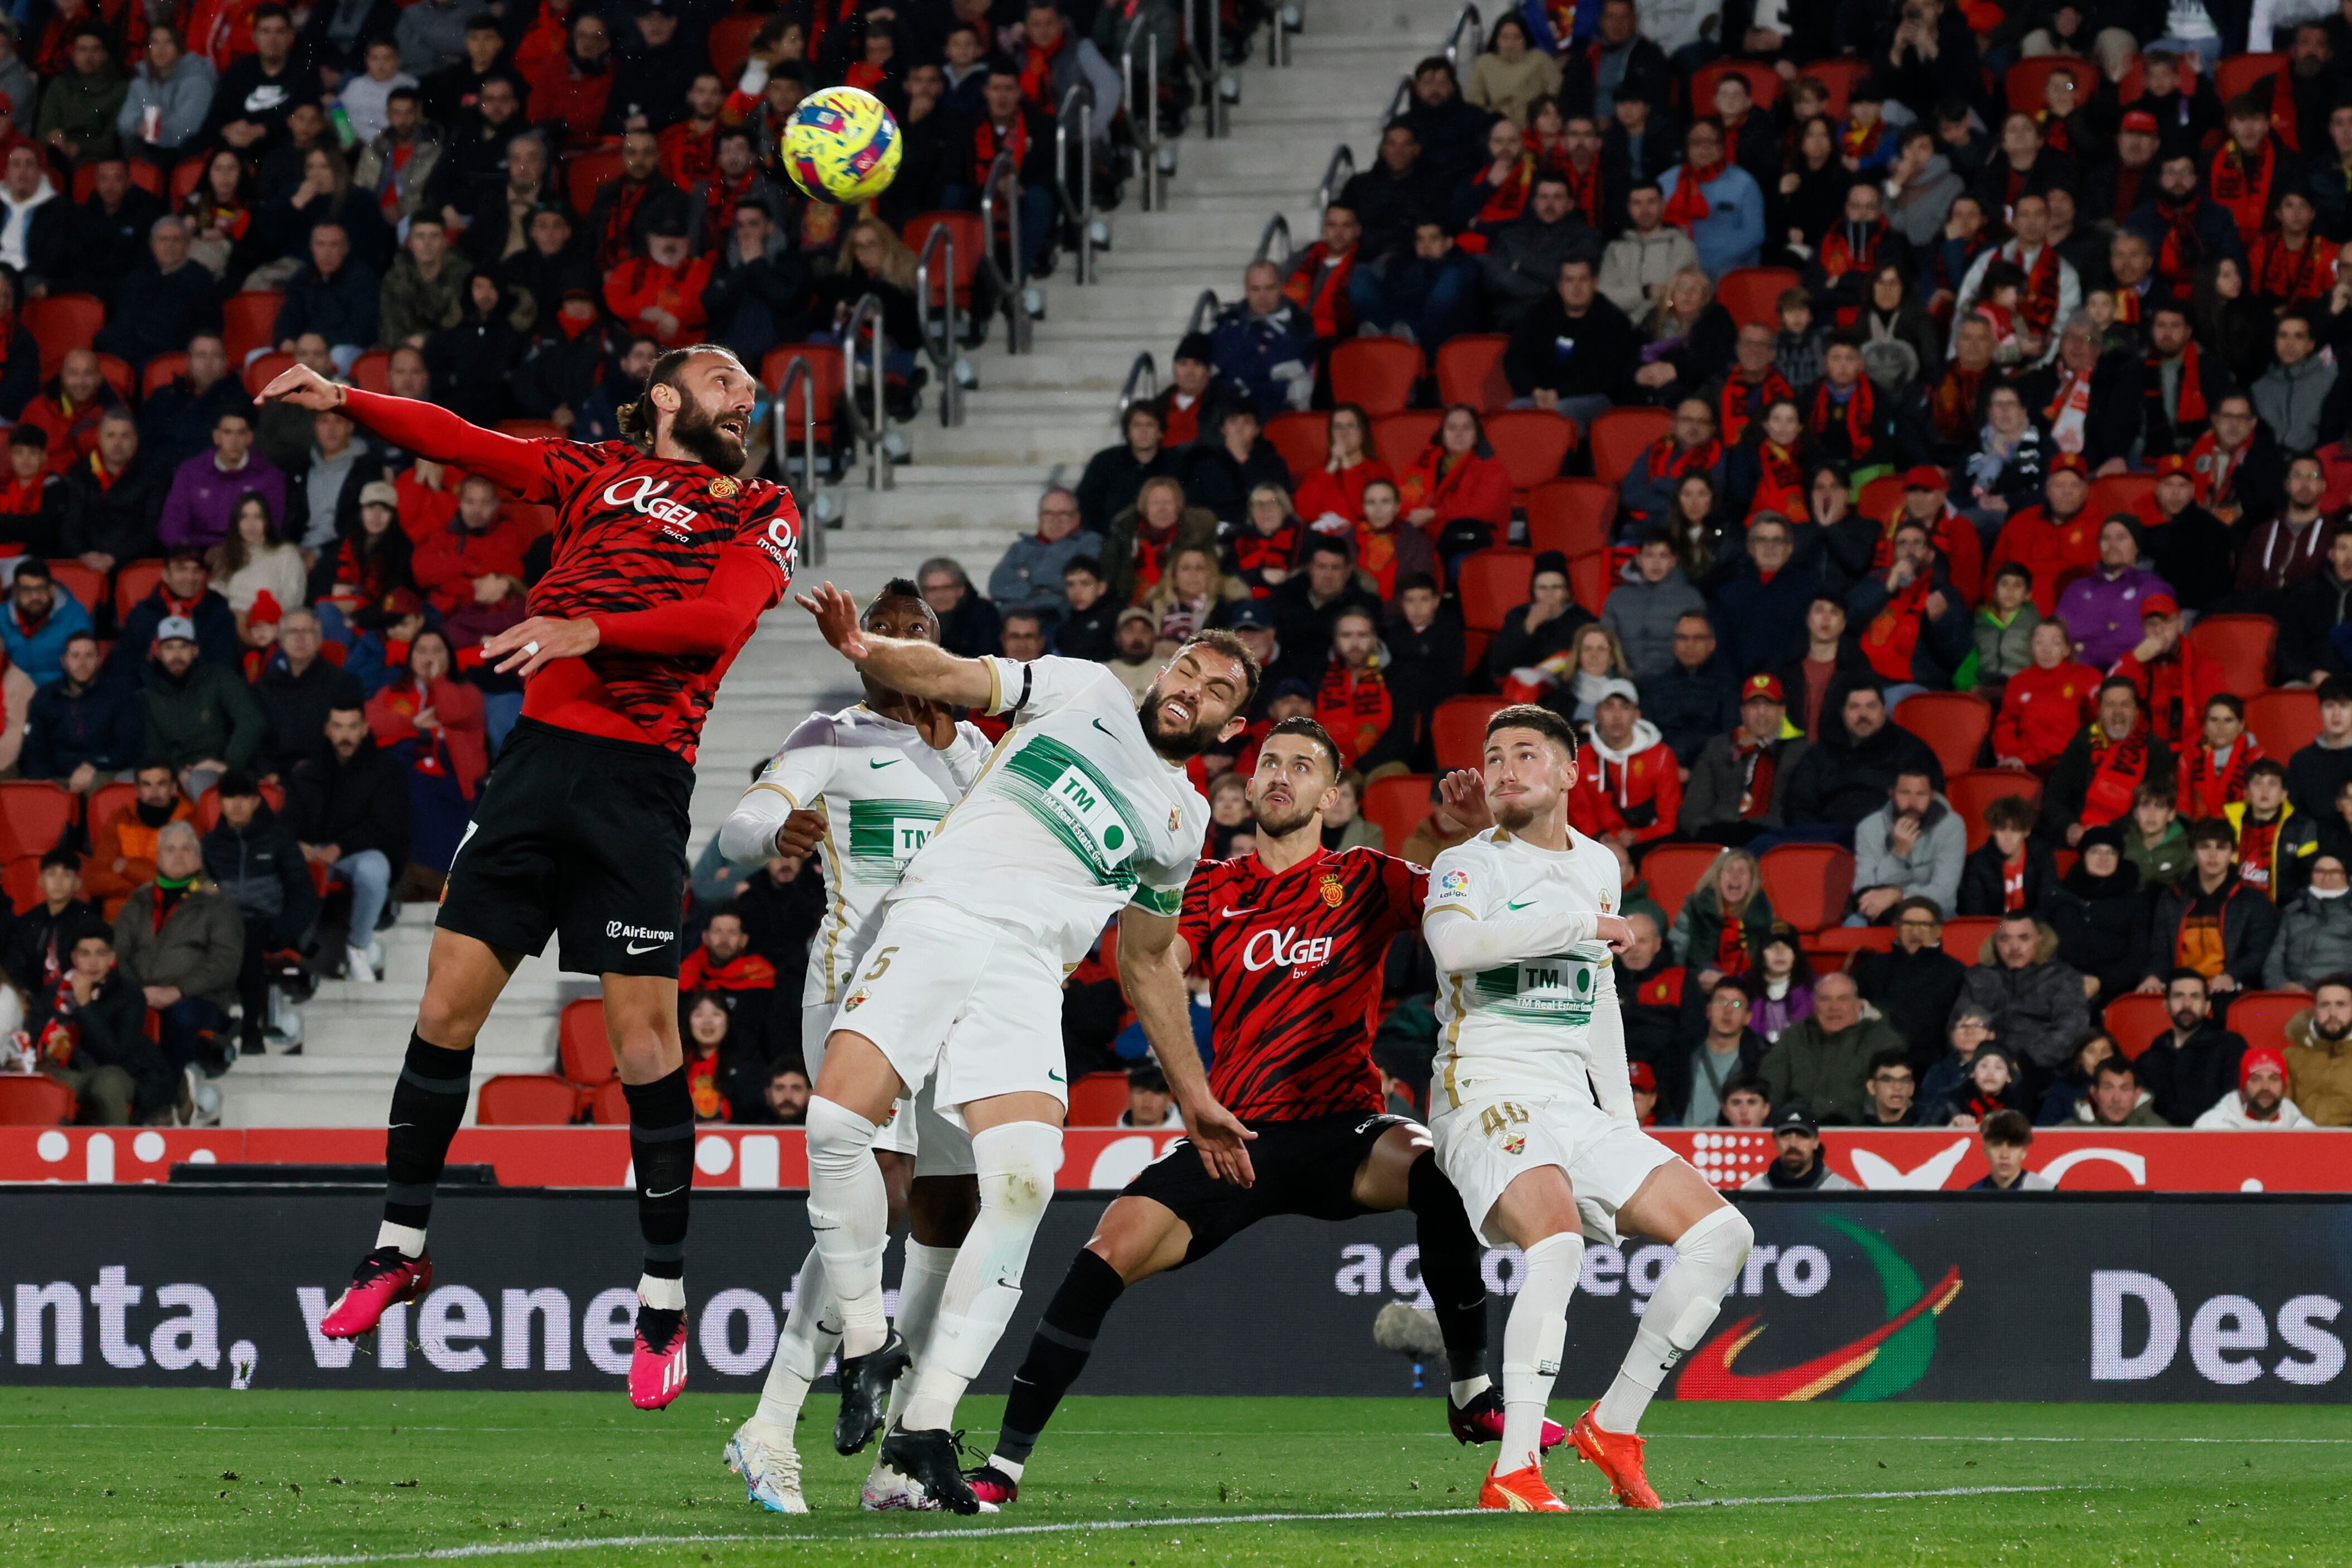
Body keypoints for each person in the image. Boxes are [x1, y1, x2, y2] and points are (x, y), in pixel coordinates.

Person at [264, 342, 799, 1414]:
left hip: (639, 785)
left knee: (644, 1044)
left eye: (750, 386)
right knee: (444, 1011)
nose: (751, 398)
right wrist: (346, 397)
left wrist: (590, 626)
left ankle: (659, 1301)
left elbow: (720, 622)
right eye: (728, 381)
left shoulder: (760, 506)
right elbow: (466, 440)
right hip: (532, 773)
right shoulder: (593, 469)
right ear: (666, 396)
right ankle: (399, 1249)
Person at [785, 582, 1255, 1511]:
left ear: (1228, 730)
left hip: (1029, 972)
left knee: (1024, 1182)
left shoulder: (1182, 823)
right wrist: (866, 650)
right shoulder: (1081, 690)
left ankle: (923, 1425)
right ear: (1165, 669)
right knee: (836, 1121)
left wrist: (1192, 1092)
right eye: (1187, 669)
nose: (1190, 689)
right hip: (940, 917)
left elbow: (1149, 958)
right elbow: (955, 675)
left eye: (1215, 692)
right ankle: (863, 1341)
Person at [966, 720, 1516, 1509]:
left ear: (1334, 795)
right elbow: (1156, 965)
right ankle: (1003, 1468)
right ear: (1249, 787)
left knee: (1443, 1171)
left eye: (1302, 766)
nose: (1280, 775)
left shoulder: (1365, 874)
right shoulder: (1211, 888)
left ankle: (1470, 1391)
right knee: (1103, 1252)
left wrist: (1481, 839)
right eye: (1268, 764)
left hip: (1344, 1131)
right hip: (1239, 1136)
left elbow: (1480, 915)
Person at [1411, 702, 1749, 1513]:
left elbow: (1598, 995)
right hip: (1485, 1089)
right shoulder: (1468, 865)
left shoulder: (1600, 865)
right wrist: (1581, 921)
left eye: (1525, 753)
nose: (1503, 768)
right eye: (1493, 756)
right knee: (1557, 1242)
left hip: (1572, 1101)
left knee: (1722, 1233)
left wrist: (1623, 1133)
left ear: (1570, 772)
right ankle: (1514, 1468)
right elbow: (1456, 949)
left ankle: (1616, 1424)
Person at [714, 580, 991, 1512]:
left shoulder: (977, 751)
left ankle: (902, 1449)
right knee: (886, 1193)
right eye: (893, 633)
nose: (909, 648)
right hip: (854, 991)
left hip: (954, 996)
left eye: (925, 637)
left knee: (947, 1210)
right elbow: (737, 824)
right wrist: (770, 835)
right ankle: (773, 1424)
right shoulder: (830, 737)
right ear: (865, 642)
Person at [201, 766, 317, 1058]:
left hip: (269, 926)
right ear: (220, 802)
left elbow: (303, 894)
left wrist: (283, 931)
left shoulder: (279, 840)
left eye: (244, 797)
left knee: (248, 935)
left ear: (256, 801)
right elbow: (202, 887)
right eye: (230, 797)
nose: (237, 804)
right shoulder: (210, 846)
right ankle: (225, 1028)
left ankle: (249, 1027)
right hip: (224, 926)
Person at [113, 819, 242, 1080]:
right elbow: (117, 953)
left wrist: (177, 990)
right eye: (170, 850)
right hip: (140, 994)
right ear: (158, 857)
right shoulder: (138, 900)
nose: (178, 857)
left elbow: (226, 961)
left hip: (198, 998)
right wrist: (138, 993)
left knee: (180, 1018)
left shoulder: (218, 903)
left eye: (186, 849)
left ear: (198, 856)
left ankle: (173, 1093)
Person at [34, 923, 175, 1127]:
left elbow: (115, 1054)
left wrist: (85, 1006)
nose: (93, 962)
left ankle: (120, 1151)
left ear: (111, 959)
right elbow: (34, 1034)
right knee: (44, 1086)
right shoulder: (53, 992)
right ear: (74, 958)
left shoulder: (129, 995)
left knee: (107, 1084)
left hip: (119, 1070)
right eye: (85, 954)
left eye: (101, 954)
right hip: (70, 1071)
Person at [2141, 817, 2281, 1001]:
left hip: (2231, 991)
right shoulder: (2172, 898)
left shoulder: (2253, 900)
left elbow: (2258, 952)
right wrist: (2153, 976)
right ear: (2193, 853)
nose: (2213, 855)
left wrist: (2231, 976)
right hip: (2179, 991)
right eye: (2205, 847)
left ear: (2232, 854)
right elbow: (2160, 951)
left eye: (2221, 847)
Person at [1777, 683, 1944, 836]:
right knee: (1763, 844)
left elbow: (1930, 803)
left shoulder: (1912, 750)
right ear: (1843, 712)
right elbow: (1798, 804)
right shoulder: (1820, 753)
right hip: (1828, 837)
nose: (1863, 715)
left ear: (1884, 710)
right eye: (1854, 707)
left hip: (1889, 837)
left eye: (1871, 706)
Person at [1953, 914, 2091, 1087]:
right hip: (1983, 1067)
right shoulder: (1979, 977)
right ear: (1995, 942)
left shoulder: (2063, 978)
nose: (2014, 947)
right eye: (2005, 939)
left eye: (2024, 938)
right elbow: (1959, 1024)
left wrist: (2023, 1062)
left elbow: (2071, 1030)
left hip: (2042, 1072)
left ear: (2039, 940)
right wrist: (1985, 1060)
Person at [139, 613, 264, 798]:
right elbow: (153, 747)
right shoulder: (148, 694)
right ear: (158, 653)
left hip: (215, 767)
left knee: (199, 780)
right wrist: (176, 771)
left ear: (195, 650)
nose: (176, 655)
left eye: (183, 647)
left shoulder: (219, 677)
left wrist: (227, 764)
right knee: (124, 783)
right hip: (170, 772)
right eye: (169, 648)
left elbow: (252, 721)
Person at [1757, 971, 1904, 1125]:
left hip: (1857, 1133)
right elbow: (1770, 1090)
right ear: (1814, 1004)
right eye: (1825, 999)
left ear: (1858, 1004)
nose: (1834, 1007)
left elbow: (1886, 1102)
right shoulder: (1794, 1036)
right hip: (1798, 1132)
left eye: (1843, 999)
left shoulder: (1884, 1042)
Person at [1679, 673, 1807, 845]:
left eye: (1769, 705)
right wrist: (1709, 834)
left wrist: (1747, 831)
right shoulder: (1720, 747)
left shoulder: (1798, 752)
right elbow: (1693, 809)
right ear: (1742, 711)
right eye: (1754, 705)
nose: (1761, 713)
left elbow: (1790, 814)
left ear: (1782, 711)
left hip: (1771, 840)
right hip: (1716, 838)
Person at [1851, 898, 1968, 1072]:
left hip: (1932, 1067)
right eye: (1908, 924)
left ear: (1939, 930)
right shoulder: (1872, 967)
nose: (1916, 932)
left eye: (1924, 925)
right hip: (1876, 1063)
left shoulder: (1956, 972)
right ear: (1896, 927)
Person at [1851, 769, 1964, 923]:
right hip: (1881, 916)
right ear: (1891, 794)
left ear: (1932, 796)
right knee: (1854, 923)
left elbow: (1945, 895)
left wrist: (1899, 894)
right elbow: (1865, 888)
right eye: (1905, 793)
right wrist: (1898, 855)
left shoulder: (1951, 826)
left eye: (1921, 794)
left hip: (1934, 916)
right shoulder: (1869, 828)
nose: (1913, 803)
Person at [987, 489, 1099, 624]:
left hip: (1060, 617)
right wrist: (1042, 591)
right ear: (1040, 518)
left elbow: (1071, 581)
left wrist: (1027, 576)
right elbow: (998, 584)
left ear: (1076, 518)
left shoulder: (1089, 543)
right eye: (1048, 514)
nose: (1055, 520)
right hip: (1017, 618)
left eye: (1063, 514)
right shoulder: (1020, 547)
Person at [1958, 793, 2059, 918]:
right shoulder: (1978, 862)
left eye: (2014, 830)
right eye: (2001, 830)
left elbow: (2048, 905)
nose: (2007, 837)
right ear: (1993, 831)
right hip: (1994, 931)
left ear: (2026, 832)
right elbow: (1976, 913)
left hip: (2032, 929)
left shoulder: (2042, 857)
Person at [2267, 855, 2352, 990]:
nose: (2327, 877)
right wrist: (2282, 985)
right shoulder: (2292, 911)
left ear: (2346, 876)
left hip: (2343, 994)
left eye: (2335, 872)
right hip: (2295, 993)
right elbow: (2275, 959)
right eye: (2320, 871)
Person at [2194, 1046, 2316, 1128]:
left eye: (2273, 1079)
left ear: (2284, 1088)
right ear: (2242, 1087)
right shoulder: (2211, 1126)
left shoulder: (2304, 1130)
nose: (2265, 1087)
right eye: (2256, 1079)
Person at [1739, 1107, 1857, 1190]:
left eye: (1803, 1135)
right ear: (1775, 1141)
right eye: (1785, 1135)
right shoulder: (1753, 1191)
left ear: (1816, 1142)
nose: (1793, 1144)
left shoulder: (1842, 1190)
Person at [1969, 1109, 2053, 1191]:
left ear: (2024, 1151)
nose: (2005, 1155)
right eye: (1997, 1145)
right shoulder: (1972, 1195)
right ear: (1985, 1150)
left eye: (2013, 1146)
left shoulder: (2045, 1193)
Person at [2076, 1055, 2168, 1127]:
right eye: (2108, 1088)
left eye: (2125, 1089)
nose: (2116, 1099)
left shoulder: (2161, 1132)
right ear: (2094, 1093)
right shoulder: (2067, 1131)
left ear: (2137, 1094)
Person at [1859, 1050, 1922, 1126]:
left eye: (1905, 1080)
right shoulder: (1856, 1131)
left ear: (1912, 1088)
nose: (1898, 1087)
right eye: (1888, 1080)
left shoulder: (1929, 1129)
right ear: (1872, 1087)